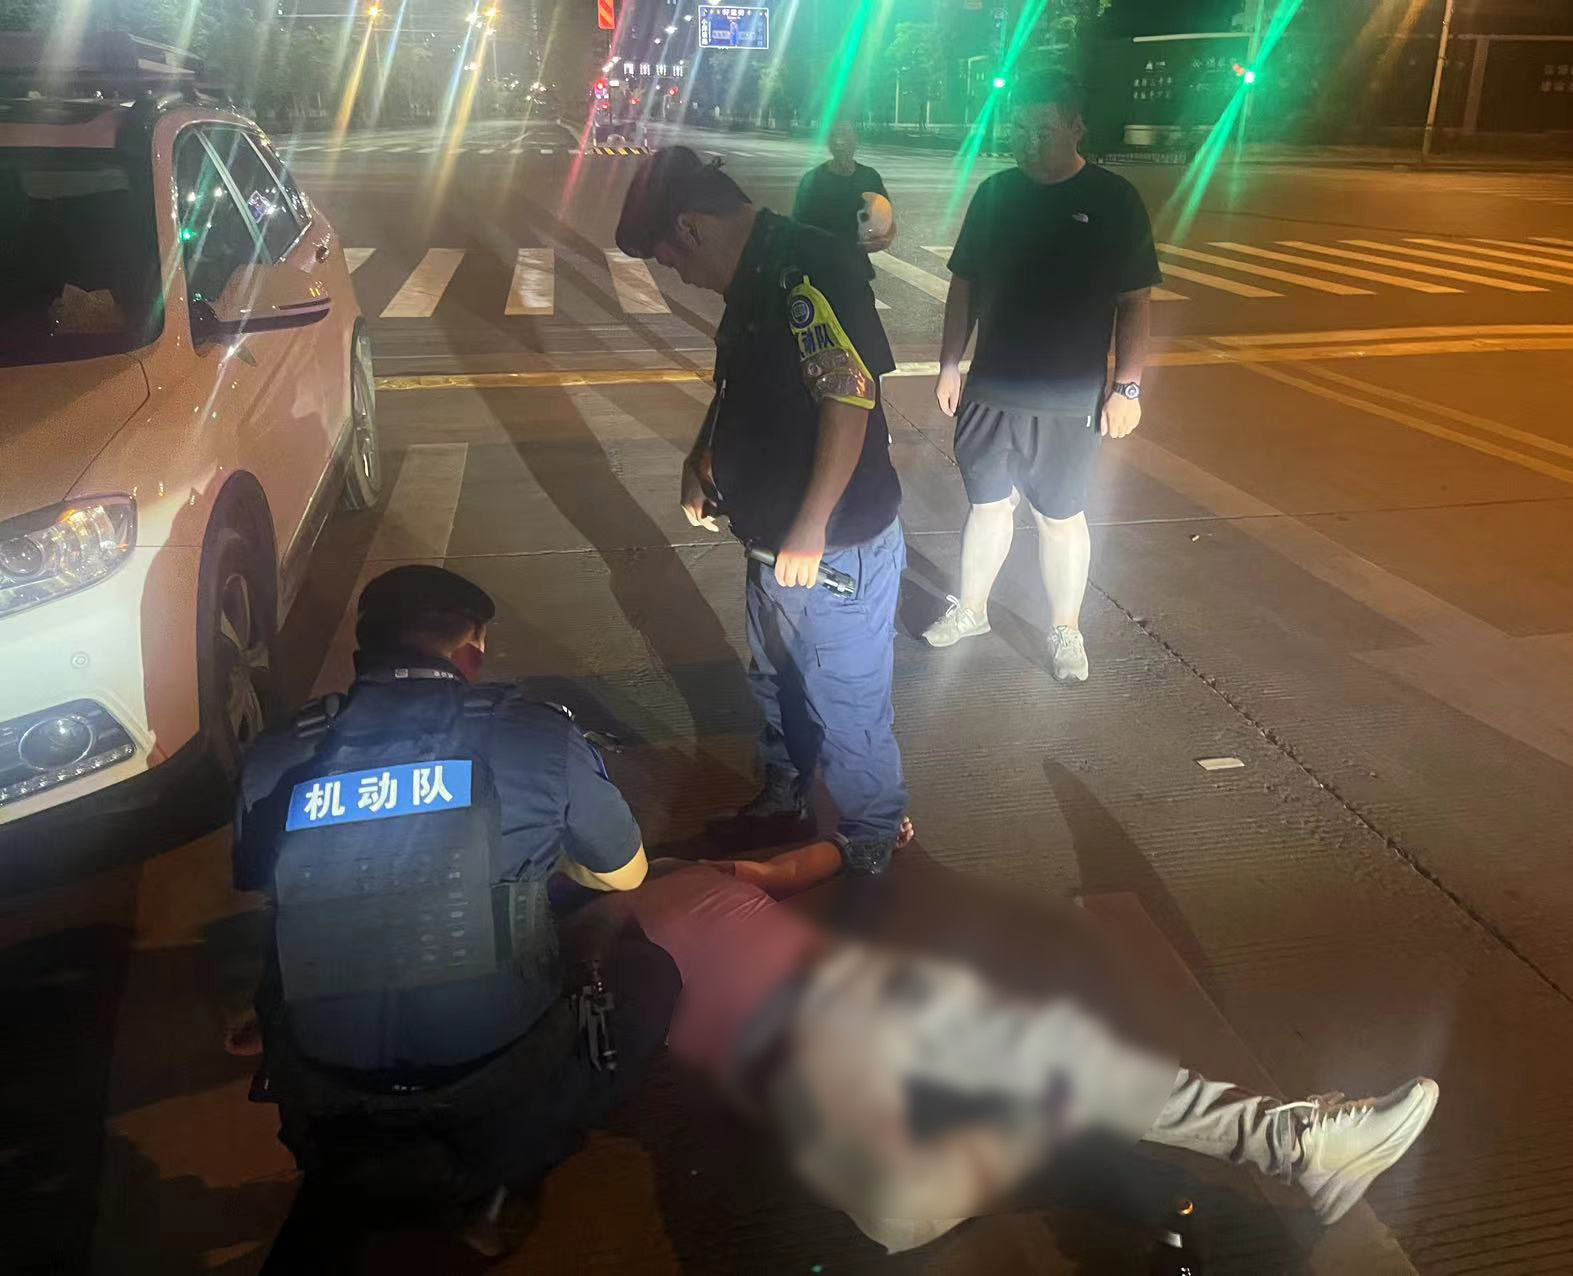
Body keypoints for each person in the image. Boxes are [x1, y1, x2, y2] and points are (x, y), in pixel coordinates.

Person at [584, 847, 1441, 1255]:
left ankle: (1295, 1145)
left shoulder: (642, 930)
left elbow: (784, 873)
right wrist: (855, 841)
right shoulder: (663, 906)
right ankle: (1292, 1145)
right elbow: (789, 871)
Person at [233, 565, 675, 1265]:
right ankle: (505, 1181)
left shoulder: (278, 753)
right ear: (472, 651)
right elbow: (625, 872)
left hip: (326, 1093)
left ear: (363, 652)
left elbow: (265, 882)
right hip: (495, 1086)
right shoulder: (535, 736)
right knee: (647, 971)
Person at [615, 146, 909, 874]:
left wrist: (811, 526)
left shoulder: (809, 268)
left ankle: (873, 834)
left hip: (834, 547)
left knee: (845, 701)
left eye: (671, 260)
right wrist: (702, 457)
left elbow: (848, 398)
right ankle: (785, 796)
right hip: (773, 539)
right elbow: (736, 384)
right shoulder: (753, 275)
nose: (678, 275)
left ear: (690, 227)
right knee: (777, 678)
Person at [926, 69, 1163, 685]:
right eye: (1018, 128)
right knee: (987, 504)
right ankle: (972, 609)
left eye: (1042, 129)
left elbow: (1135, 300)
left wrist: (1127, 386)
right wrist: (951, 363)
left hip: (1068, 396)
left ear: (1075, 127)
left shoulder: (1113, 200)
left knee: (1059, 515)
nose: (1027, 141)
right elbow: (964, 284)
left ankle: (1065, 627)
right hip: (991, 387)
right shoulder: (995, 194)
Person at [793, 120, 897, 253]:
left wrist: (884, 239)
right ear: (828, 142)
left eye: (845, 134)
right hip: (818, 259)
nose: (839, 141)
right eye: (834, 135)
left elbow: (887, 220)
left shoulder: (870, 177)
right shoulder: (813, 180)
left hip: (856, 261)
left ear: (855, 139)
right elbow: (797, 226)